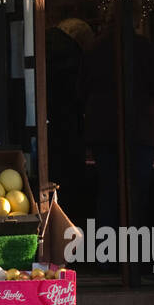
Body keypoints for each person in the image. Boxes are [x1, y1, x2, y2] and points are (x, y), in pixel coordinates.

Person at [80, 24, 154, 233]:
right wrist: (149, 95)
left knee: (107, 191)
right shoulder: (142, 46)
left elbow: (80, 88)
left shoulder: (94, 50)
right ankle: (133, 256)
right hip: (138, 129)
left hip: (102, 131)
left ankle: (106, 256)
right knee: (137, 194)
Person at [45, 18, 93, 192]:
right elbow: (81, 95)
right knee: (73, 189)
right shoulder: (75, 57)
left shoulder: (43, 46)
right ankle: (82, 220)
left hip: (45, 129)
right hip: (69, 130)